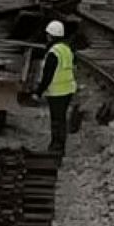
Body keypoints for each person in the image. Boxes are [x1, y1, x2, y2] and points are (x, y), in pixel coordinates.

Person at [36, 20, 77, 155]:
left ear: (50, 36)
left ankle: (56, 147)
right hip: (68, 90)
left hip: (57, 92)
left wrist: (38, 92)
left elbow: (48, 75)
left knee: (56, 121)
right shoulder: (66, 49)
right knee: (61, 119)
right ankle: (60, 146)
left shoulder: (53, 52)